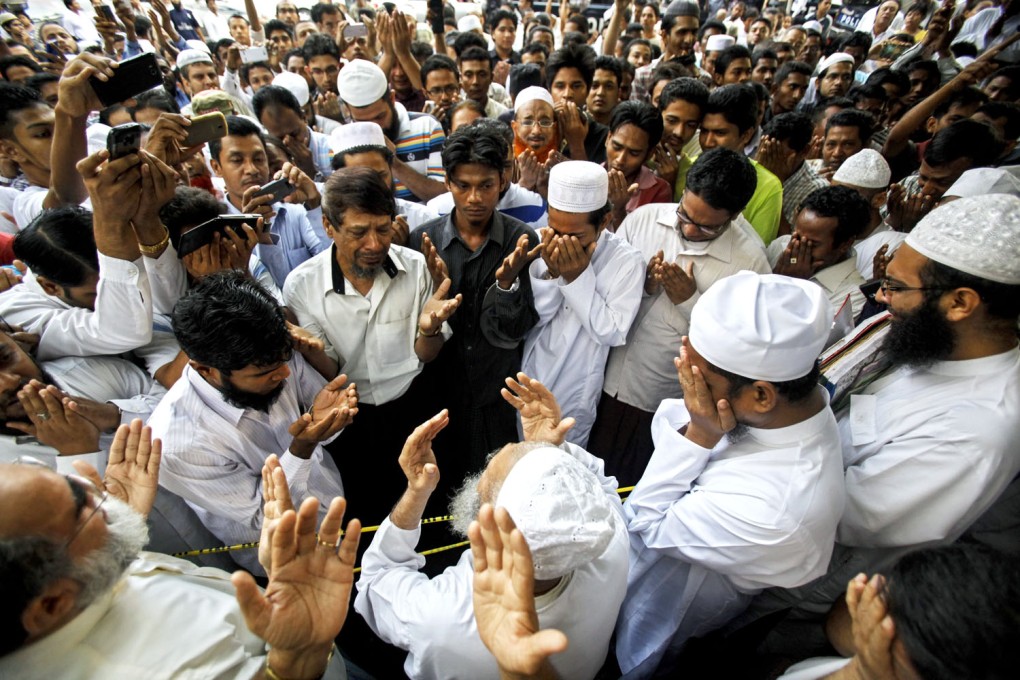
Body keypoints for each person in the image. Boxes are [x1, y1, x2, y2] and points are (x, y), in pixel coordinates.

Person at [615, 271, 846, 679]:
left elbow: (645, 522)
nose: (686, 374)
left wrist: (701, 434)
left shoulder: (780, 510)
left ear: (761, 395)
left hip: (660, 613)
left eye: (699, 374)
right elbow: (670, 425)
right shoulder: (784, 408)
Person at [0, 422, 357, 679]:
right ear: (51, 604)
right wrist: (296, 659)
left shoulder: (68, 580)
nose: (86, 478)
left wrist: (120, 527)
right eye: (82, 505)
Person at [354, 379, 629, 680]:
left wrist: (416, 493)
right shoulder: (611, 544)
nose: (485, 465)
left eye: (487, 475)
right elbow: (597, 490)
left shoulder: (441, 618)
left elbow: (376, 580)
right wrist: (549, 450)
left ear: (489, 531)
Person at [282, 166, 460, 525]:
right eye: (358, 232)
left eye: (383, 229)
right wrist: (310, 349)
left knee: (430, 504)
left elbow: (427, 353)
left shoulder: (415, 268)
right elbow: (330, 371)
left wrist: (428, 329)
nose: (375, 245)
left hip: (415, 404)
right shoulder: (301, 286)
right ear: (329, 227)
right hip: (352, 420)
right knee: (366, 514)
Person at [148, 271, 355, 575]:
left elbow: (320, 425)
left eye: (285, 363)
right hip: (289, 560)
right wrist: (302, 447)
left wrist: (327, 421)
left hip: (336, 510)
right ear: (206, 369)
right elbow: (263, 515)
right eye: (263, 374)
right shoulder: (176, 445)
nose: (284, 376)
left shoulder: (273, 355)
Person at [589, 148, 771, 486]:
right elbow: (602, 292)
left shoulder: (750, 263)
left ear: (735, 215)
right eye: (684, 216)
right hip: (599, 380)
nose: (689, 230)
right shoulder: (644, 219)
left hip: (660, 401)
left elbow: (740, 347)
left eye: (705, 228)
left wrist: (690, 301)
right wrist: (641, 285)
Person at [407, 124, 539, 473]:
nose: (474, 198)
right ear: (448, 182)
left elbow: (516, 330)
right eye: (463, 186)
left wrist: (507, 284)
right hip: (437, 397)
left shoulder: (521, 240)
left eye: (485, 186)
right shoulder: (421, 242)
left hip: (496, 398)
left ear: (503, 180)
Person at [521, 161, 644, 447]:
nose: (562, 243)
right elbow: (532, 319)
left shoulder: (627, 261)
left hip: (577, 383)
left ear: (603, 222)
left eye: (575, 236)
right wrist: (553, 273)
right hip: (531, 370)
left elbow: (611, 332)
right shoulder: (537, 242)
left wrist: (576, 276)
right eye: (554, 229)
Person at [208, 115, 327, 287]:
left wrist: (315, 202)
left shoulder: (298, 214)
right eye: (237, 160)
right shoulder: (218, 232)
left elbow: (334, 264)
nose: (252, 169)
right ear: (216, 167)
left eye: (258, 159)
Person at [336, 59, 447, 203]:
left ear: (392, 99)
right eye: (363, 122)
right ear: (347, 110)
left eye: (380, 116)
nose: (375, 127)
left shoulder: (427, 127)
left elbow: (444, 197)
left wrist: (393, 162)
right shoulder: (341, 142)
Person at [768, 186, 871, 320]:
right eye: (796, 236)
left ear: (845, 244)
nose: (797, 247)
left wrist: (790, 284)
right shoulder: (781, 246)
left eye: (811, 244)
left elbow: (799, 336)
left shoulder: (852, 297)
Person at [700, 84, 783, 245]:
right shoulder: (684, 168)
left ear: (746, 135)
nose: (708, 142)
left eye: (720, 133)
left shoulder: (768, 187)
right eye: (703, 131)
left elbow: (756, 251)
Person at [330, 122, 439, 233]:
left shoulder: (425, 219)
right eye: (362, 179)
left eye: (381, 176)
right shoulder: (332, 225)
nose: (375, 185)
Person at [831, 149, 905, 280]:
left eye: (846, 196)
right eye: (832, 193)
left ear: (879, 200)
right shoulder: (826, 231)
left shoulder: (893, 246)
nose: (835, 202)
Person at [605, 101, 672, 229]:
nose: (620, 159)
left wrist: (619, 210)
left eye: (634, 153)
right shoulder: (588, 177)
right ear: (608, 138)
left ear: (649, 154)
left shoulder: (658, 191)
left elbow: (641, 244)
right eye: (617, 147)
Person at [758, 112, 829, 229]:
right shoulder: (756, 167)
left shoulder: (817, 189)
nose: (769, 159)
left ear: (804, 151)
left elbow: (790, 240)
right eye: (767, 151)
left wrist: (775, 185)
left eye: (777, 154)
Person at [252, 85, 336, 182]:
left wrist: (311, 173)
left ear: (304, 118)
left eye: (294, 134)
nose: (288, 141)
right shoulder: (268, 161)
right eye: (279, 138)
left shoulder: (332, 148)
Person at [546, 43, 609, 165]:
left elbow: (590, 182)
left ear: (588, 89)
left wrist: (576, 144)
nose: (568, 94)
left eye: (576, 86)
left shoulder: (603, 136)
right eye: (560, 86)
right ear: (549, 89)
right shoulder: (539, 129)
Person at [630, 1, 701, 104]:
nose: (689, 40)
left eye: (694, 32)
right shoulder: (643, 76)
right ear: (664, 35)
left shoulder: (702, 78)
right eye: (682, 32)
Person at [656, 77, 709, 199]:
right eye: (672, 120)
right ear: (658, 113)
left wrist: (669, 184)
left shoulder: (695, 176)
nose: (679, 132)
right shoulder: (634, 155)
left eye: (690, 125)